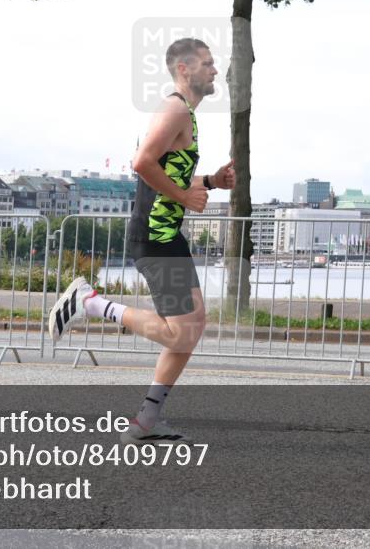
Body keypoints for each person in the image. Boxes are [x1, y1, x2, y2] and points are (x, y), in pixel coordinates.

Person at [48, 37, 235, 444]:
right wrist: (186, 196)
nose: (214, 70)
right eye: (207, 63)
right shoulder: (174, 108)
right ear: (184, 69)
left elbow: (163, 172)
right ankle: (92, 303)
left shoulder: (184, 114)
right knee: (181, 332)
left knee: (193, 326)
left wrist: (210, 182)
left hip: (168, 235)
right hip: (155, 235)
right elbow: (142, 164)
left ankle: (146, 423)